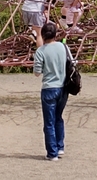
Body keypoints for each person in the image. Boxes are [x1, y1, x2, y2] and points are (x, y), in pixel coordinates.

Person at [33, 22, 68, 161]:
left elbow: (37, 72)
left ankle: (52, 153)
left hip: (49, 88)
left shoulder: (41, 51)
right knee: (58, 118)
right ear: (55, 34)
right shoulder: (62, 46)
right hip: (63, 87)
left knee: (49, 122)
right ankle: (60, 147)